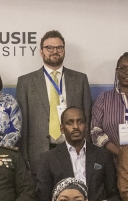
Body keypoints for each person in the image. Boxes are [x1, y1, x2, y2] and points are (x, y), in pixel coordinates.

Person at [37, 107, 123, 201]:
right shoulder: (48, 158)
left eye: (80, 122)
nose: (76, 127)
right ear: (62, 128)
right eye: (70, 123)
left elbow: (116, 195)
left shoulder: (103, 155)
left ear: (86, 126)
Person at [16, 31, 92, 174]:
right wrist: (24, 156)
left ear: (64, 51)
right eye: (49, 48)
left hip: (73, 149)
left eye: (59, 48)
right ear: (41, 52)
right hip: (39, 152)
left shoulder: (80, 79)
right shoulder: (26, 82)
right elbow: (23, 124)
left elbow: (86, 117)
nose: (54, 51)